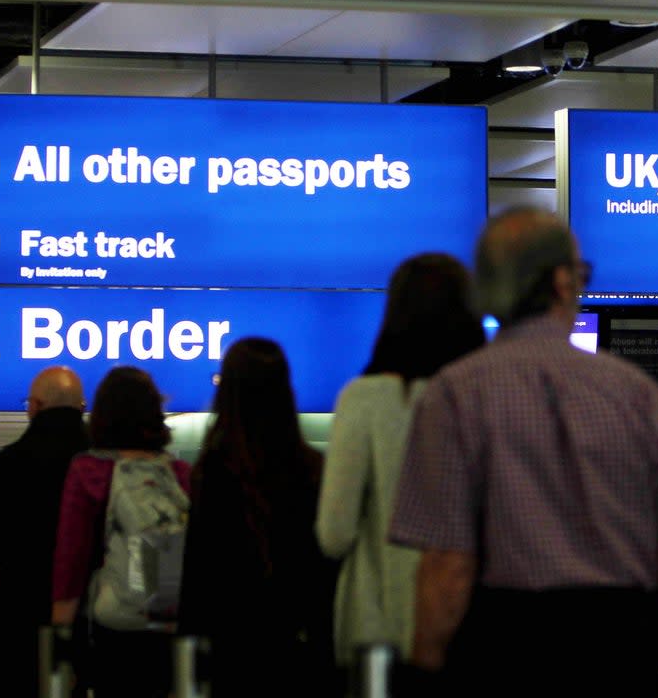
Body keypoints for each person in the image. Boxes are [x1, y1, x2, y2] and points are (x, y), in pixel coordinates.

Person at [388, 208, 658, 697]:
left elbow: (448, 565)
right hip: (621, 646)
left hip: (505, 647)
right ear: (563, 282)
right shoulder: (634, 393)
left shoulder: (455, 393)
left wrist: (423, 670)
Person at [315, 253, 485, 666]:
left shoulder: (365, 399)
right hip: (471, 623)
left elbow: (334, 534)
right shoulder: (489, 396)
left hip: (379, 634)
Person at [180, 338, 336, 697]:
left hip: (233, 653)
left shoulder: (214, 473)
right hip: (300, 648)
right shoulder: (313, 470)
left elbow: (198, 578)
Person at [52, 366, 191, 698]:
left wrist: (61, 633)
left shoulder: (90, 470)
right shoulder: (179, 474)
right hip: (167, 624)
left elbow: (72, 557)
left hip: (110, 626)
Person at [0, 365, 88, 697]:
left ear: (36, 406)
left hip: (22, 615)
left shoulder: (5, 467)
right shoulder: (104, 463)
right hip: (92, 618)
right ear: (80, 407)